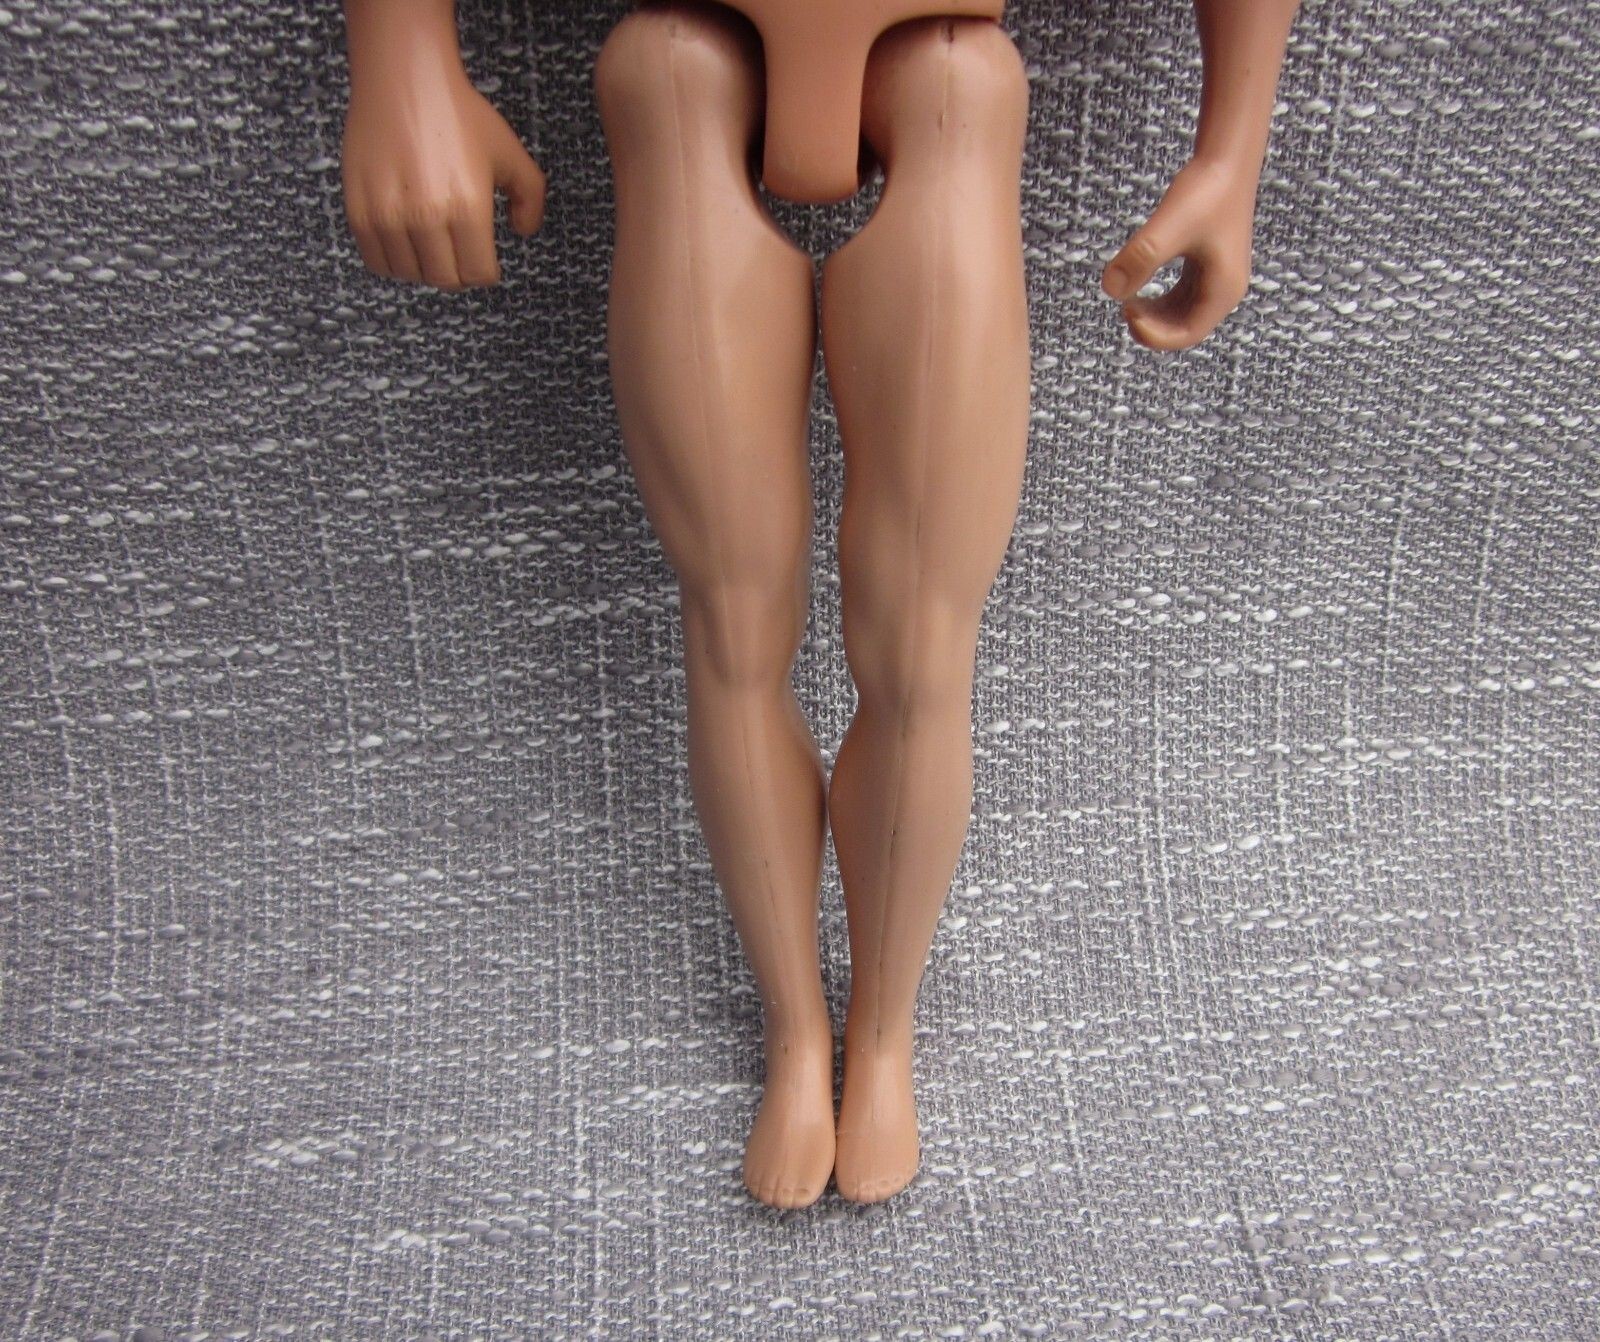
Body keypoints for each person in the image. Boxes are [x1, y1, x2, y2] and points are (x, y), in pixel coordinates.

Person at [338, 0, 1301, 1208]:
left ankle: (882, 1036)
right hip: (682, 70)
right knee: (731, 621)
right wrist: (401, 49)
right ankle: (797, 1032)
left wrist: (1233, 145)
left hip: (946, 75)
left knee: (921, 640)